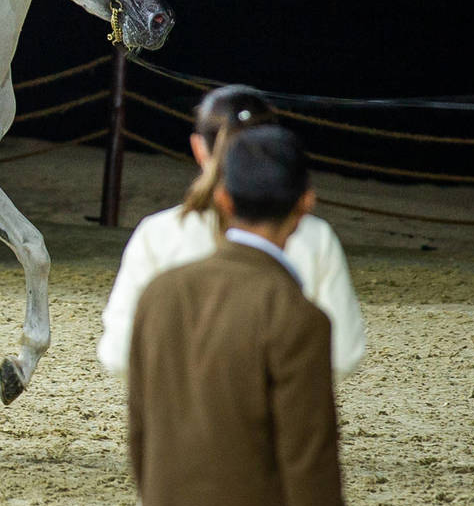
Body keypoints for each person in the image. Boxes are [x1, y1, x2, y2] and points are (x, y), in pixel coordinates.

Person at [128, 125, 363, 506]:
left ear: (223, 198)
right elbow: (310, 472)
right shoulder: (298, 318)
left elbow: (142, 440)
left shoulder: (161, 294)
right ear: (305, 204)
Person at [98, 84, 364, 378]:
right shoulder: (313, 236)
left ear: (198, 147)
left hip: (178, 403)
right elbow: (343, 354)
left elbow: (119, 353)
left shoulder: (158, 234)